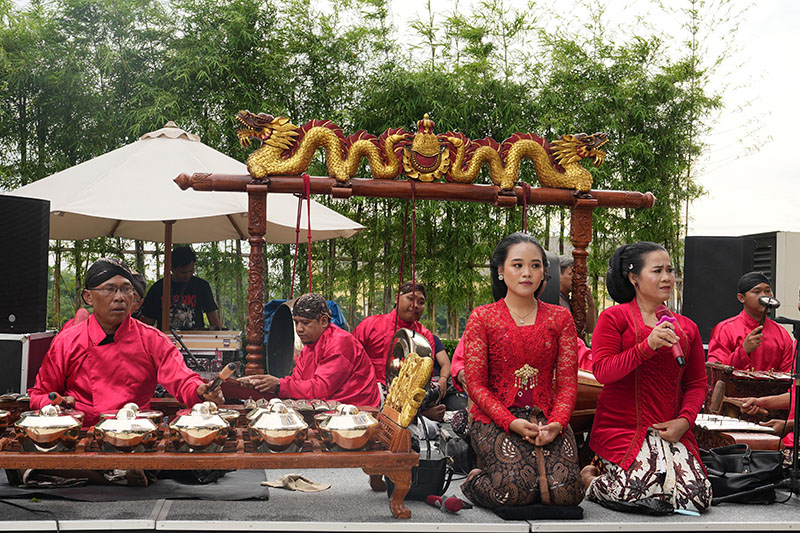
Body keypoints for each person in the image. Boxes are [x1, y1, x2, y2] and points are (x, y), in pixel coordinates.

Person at [583, 242, 711, 514]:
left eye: (670, 270)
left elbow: (697, 383)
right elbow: (603, 371)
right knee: (636, 492)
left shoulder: (687, 327)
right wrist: (646, 347)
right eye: (657, 271)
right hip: (624, 429)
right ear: (634, 278)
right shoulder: (614, 318)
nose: (667, 277)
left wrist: (684, 421)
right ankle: (591, 478)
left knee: (697, 497)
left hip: (671, 428)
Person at [459, 232, 583, 508]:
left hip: (547, 416)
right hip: (494, 418)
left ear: (543, 273)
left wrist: (558, 423)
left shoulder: (560, 318)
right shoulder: (483, 317)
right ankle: (474, 480)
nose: (527, 272)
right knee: (515, 492)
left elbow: (567, 385)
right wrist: (510, 422)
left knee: (568, 494)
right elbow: (476, 386)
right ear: (501, 271)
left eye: (535, 265)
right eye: (517, 265)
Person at [29, 258, 223, 427]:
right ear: (88, 296)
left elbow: (184, 381)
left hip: (135, 436)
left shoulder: (152, 340)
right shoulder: (67, 341)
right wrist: (55, 402)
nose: (119, 297)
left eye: (126, 289)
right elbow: (39, 395)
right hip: (82, 434)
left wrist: (201, 391)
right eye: (110, 289)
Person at [238, 292, 380, 407]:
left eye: (305, 323)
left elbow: (320, 389)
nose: (299, 329)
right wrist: (261, 383)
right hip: (329, 404)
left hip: (356, 408)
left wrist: (278, 385)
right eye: (296, 322)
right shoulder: (309, 347)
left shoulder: (339, 343)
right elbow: (297, 382)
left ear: (323, 321)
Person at [353, 281, 435, 389]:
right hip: (370, 387)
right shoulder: (370, 325)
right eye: (411, 298)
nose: (415, 305)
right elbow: (351, 359)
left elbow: (426, 373)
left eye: (421, 302)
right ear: (397, 298)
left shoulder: (425, 335)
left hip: (408, 391)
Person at [707, 271, 793, 372]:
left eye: (767, 291)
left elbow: (789, 375)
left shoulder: (781, 334)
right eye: (757, 292)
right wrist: (744, 350)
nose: (764, 296)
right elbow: (715, 370)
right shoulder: (725, 329)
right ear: (741, 298)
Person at [141, 246, 223, 330]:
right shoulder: (158, 288)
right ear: (172, 268)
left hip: (195, 339)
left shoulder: (201, 286)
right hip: (165, 339)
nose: (187, 275)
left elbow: (213, 318)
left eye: (191, 271)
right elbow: (147, 322)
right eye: (182, 272)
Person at [558, 255, 597, 336]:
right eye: (571, 274)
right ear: (559, 276)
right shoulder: (556, 299)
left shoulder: (571, 299)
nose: (575, 278)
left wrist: (591, 305)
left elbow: (589, 329)